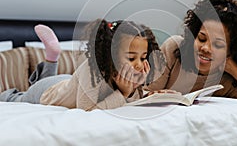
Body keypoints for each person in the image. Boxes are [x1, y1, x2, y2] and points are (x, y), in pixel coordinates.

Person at [145, 0, 237, 105]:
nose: (205, 48)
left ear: (232, 50)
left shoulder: (228, 79)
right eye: (201, 38)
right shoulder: (174, 48)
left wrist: (232, 68)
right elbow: (143, 93)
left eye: (218, 44)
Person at [0, 19, 165, 110]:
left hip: (66, 83)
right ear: (111, 54)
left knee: (58, 85)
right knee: (18, 97)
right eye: (131, 58)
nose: (139, 64)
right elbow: (87, 108)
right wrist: (123, 93)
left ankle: (52, 56)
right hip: (46, 91)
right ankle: (51, 58)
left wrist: (137, 88)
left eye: (143, 58)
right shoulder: (92, 69)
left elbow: (130, 101)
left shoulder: (127, 75)